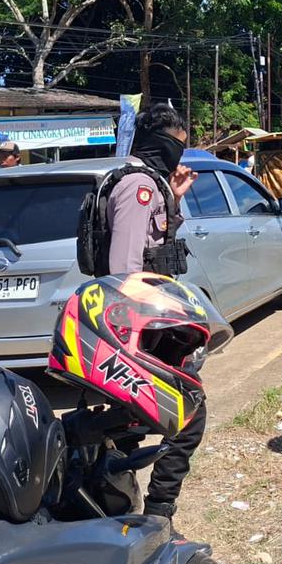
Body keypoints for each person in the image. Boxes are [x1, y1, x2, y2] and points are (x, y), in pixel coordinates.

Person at [104, 103, 200, 521]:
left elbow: (155, 243)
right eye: (176, 146)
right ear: (160, 143)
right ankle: (158, 512)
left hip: (147, 323)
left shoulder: (149, 182)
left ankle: (114, 504)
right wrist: (135, 338)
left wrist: (174, 199)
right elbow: (124, 268)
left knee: (126, 424)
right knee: (187, 412)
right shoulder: (138, 185)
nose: (180, 155)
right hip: (138, 328)